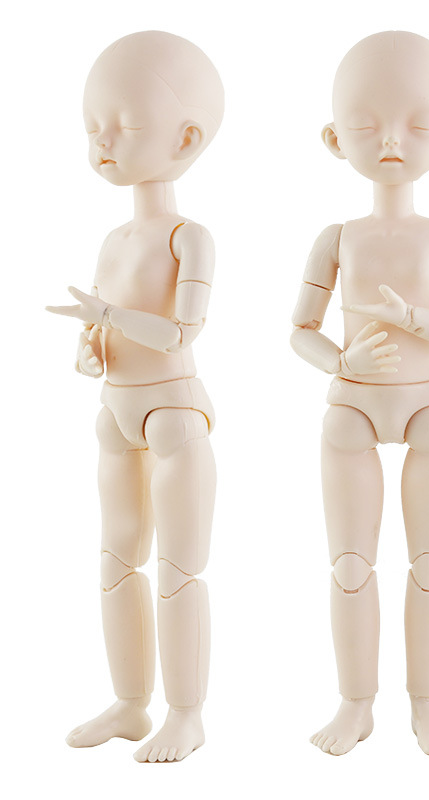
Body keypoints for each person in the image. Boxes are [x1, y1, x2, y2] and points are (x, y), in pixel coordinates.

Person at [291, 31, 429, 756]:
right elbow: (299, 330)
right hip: (352, 407)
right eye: (366, 125)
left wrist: (413, 319)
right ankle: (355, 705)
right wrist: (339, 361)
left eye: (420, 124)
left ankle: (428, 705)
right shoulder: (336, 237)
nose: (393, 140)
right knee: (350, 566)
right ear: (334, 138)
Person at [47, 30, 224, 763]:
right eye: (94, 126)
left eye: (123, 124)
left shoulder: (190, 237)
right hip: (115, 415)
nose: (103, 141)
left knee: (179, 566)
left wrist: (110, 317)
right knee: (117, 560)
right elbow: (102, 327)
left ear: (186, 138)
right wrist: (90, 347)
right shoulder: (114, 240)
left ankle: (186, 714)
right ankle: (129, 702)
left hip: (173, 412)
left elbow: (182, 330)